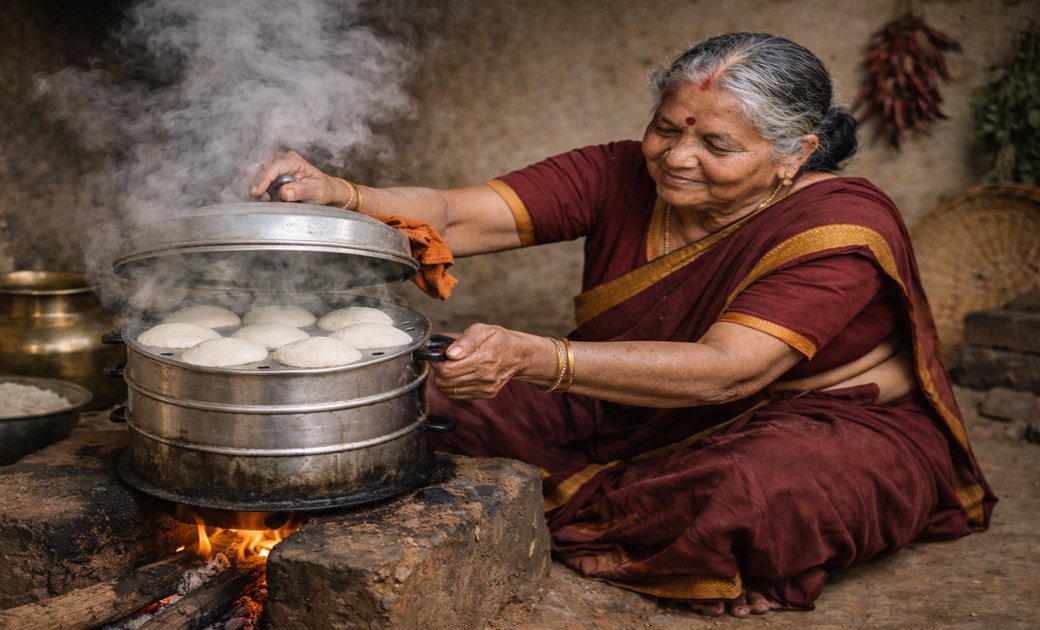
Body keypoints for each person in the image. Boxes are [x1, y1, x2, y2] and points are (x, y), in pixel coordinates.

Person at [250, 32, 995, 617]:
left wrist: (539, 357)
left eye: (716, 145)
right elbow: (454, 213)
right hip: (633, 403)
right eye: (665, 128)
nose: (676, 158)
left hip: (817, 418)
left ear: (794, 153)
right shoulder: (620, 172)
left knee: (751, 492)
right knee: (423, 394)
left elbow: (729, 371)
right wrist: (340, 191)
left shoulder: (839, 224)